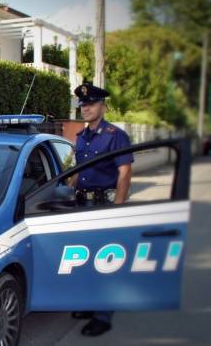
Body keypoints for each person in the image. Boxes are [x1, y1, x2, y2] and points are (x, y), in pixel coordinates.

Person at [70, 82, 133, 337]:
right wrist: (64, 191)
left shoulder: (115, 135)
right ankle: (89, 303)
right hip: (82, 204)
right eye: (83, 105)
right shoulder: (81, 137)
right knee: (86, 257)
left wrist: (117, 210)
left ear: (103, 106)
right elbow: (78, 173)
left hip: (105, 204)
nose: (86, 108)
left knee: (106, 260)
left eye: (91, 104)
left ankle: (103, 315)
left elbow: (125, 173)